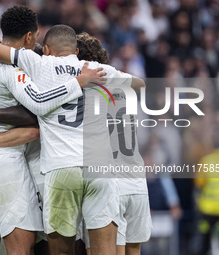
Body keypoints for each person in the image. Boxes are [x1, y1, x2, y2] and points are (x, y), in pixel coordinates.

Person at [0, 23, 145, 255]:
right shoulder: (97, 69)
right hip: (100, 170)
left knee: (62, 250)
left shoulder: (40, 64)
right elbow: (140, 84)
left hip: (61, 168)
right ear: (75, 51)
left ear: (48, 49)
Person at [0, 6, 102, 255]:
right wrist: (77, 83)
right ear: (28, 37)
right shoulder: (10, 67)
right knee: (23, 250)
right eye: (36, 36)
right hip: (4, 167)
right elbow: (38, 107)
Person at [76, 32, 151, 255]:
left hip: (112, 184)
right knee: (134, 250)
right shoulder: (123, 89)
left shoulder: (83, 91)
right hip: (136, 182)